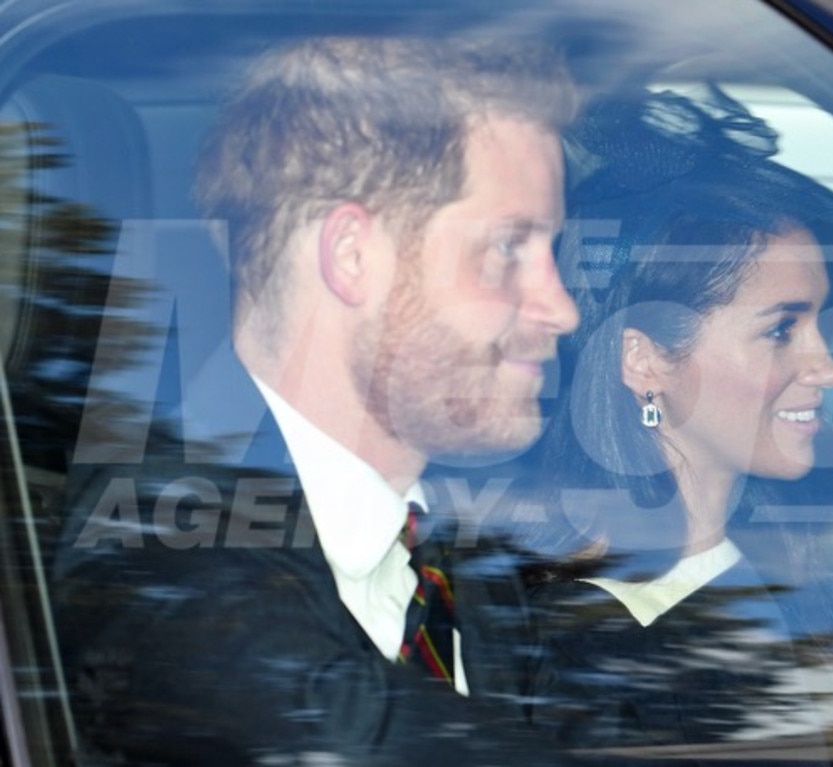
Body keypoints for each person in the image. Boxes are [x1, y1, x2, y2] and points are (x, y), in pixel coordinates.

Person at [52, 37, 579, 766]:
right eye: (509, 247)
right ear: (352, 256)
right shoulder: (154, 548)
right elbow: (333, 732)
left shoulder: (464, 549)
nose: (561, 308)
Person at [517, 86, 833, 749]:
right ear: (647, 359)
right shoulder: (558, 652)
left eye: (822, 323)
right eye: (781, 330)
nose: (829, 368)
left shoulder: (784, 566)